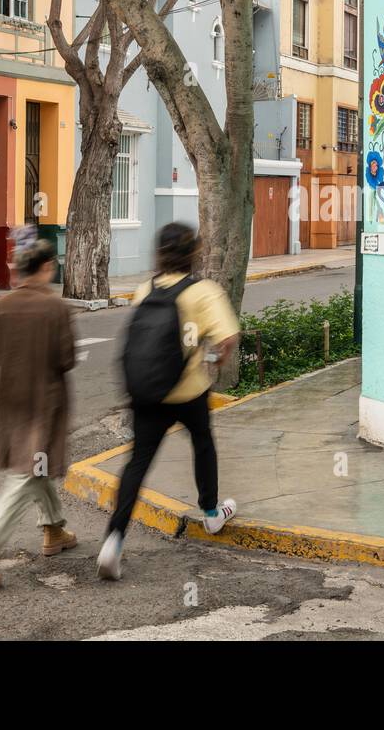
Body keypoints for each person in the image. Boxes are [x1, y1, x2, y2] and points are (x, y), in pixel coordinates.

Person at [97, 223, 240, 581]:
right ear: (194, 253)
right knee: (203, 443)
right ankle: (210, 513)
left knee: (138, 463)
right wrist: (210, 363)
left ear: (159, 253)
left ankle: (113, 541)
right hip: (188, 393)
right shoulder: (204, 291)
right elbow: (227, 339)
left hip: (148, 393)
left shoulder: (147, 288)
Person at [0, 238, 78, 589]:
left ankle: (54, 529)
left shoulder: (3, 306)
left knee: (34, 467)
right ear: (45, 269)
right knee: (27, 473)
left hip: (10, 399)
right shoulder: (55, 308)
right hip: (44, 402)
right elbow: (67, 359)